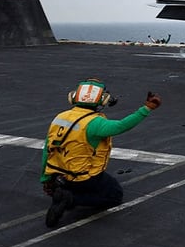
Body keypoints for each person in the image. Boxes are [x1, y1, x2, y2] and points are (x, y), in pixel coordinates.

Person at [41, 78, 162, 227]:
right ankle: (71, 199)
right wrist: (147, 108)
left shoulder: (60, 117)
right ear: (102, 100)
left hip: (58, 173)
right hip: (81, 177)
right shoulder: (95, 123)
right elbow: (121, 126)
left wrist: (46, 179)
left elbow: (47, 149)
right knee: (115, 195)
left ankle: (62, 191)